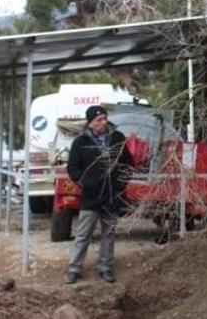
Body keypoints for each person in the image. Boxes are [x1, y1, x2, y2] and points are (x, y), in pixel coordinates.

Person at [65, 105, 132, 284]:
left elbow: (128, 162)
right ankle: (74, 269)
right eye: (98, 120)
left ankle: (105, 268)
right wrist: (84, 183)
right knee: (83, 234)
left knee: (109, 233)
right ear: (90, 123)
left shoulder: (118, 138)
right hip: (90, 196)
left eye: (104, 118)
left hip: (112, 196)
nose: (103, 122)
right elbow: (72, 168)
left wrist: (121, 183)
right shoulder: (80, 142)